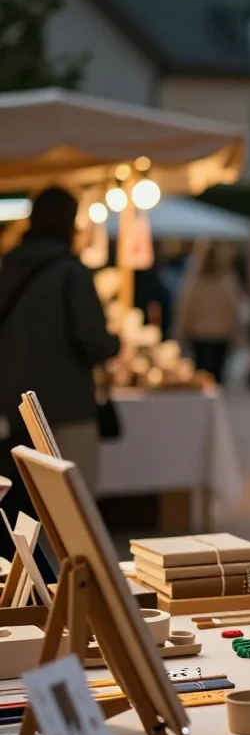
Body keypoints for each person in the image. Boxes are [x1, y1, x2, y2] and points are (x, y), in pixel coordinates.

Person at [0, 186, 120, 573]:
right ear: (69, 221)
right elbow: (94, 341)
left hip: (13, 408)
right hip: (67, 407)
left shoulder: (6, 267)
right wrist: (113, 340)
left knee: (23, 515)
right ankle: (80, 593)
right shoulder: (71, 271)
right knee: (75, 516)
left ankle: (31, 594)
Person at [177, 245, 243, 383]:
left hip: (199, 335)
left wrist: (180, 333)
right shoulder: (226, 282)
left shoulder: (194, 283)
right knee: (217, 376)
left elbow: (185, 309)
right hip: (220, 334)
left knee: (202, 375)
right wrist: (235, 332)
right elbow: (233, 309)